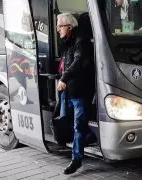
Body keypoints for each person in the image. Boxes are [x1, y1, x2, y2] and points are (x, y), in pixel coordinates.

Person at [56, 13, 93, 174]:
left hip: (78, 91)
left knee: (78, 125)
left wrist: (64, 78)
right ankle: (89, 136)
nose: (57, 29)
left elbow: (78, 62)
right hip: (67, 92)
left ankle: (76, 159)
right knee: (67, 120)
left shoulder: (81, 42)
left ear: (69, 27)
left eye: (60, 26)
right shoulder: (67, 42)